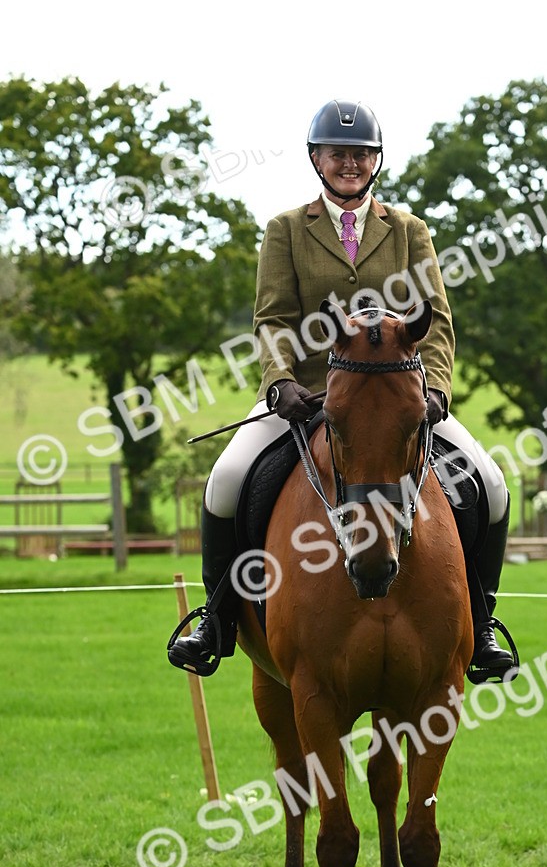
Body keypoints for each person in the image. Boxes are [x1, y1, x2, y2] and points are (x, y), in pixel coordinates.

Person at [168, 99, 517, 681]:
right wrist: (279, 383)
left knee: (494, 485)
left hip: (399, 399)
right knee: (225, 481)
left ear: (375, 161)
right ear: (317, 160)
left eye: (361, 155)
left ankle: (480, 627)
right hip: (305, 395)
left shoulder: (409, 232)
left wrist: (434, 393)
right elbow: (274, 318)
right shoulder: (285, 230)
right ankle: (218, 619)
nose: (350, 164)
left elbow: (437, 321)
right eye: (339, 155)